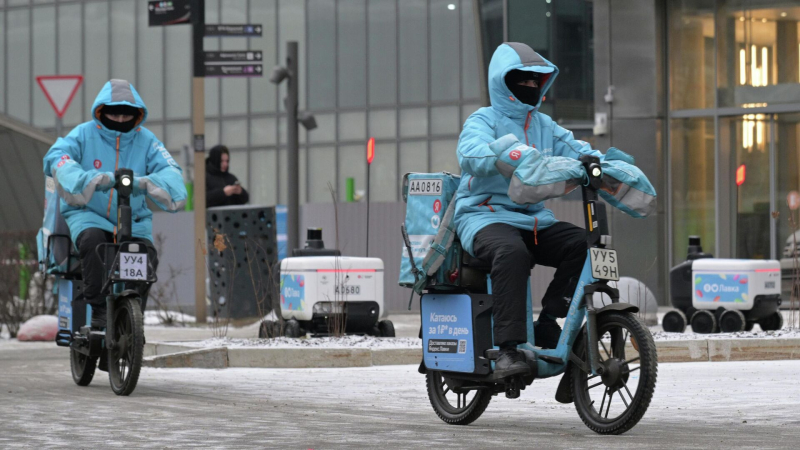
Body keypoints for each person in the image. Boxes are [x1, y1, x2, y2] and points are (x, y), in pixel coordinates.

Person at [454, 43, 655, 378]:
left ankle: (549, 321)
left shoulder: (546, 125)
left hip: (534, 219)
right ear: (502, 82)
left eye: (537, 82)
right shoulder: (484, 119)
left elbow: (579, 150)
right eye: (523, 80)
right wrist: (509, 155)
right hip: (482, 216)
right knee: (511, 252)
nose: (532, 87)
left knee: (584, 245)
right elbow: (470, 154)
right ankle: (508, 349)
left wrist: (606, 166)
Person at [43, 79, 187, 329]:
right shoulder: (84, 133)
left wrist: (146, 183)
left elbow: (170, 171)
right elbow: (57, 156)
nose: (120, 119)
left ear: (137, 114)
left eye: (126, 114)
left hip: (134, 220)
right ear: (101, 111)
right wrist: (88, 178)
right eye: (113, 113)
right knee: (93, 242)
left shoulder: (147, 140)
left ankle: (130, 313)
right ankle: (98, 312)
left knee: (145, 255)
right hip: (88, 214)